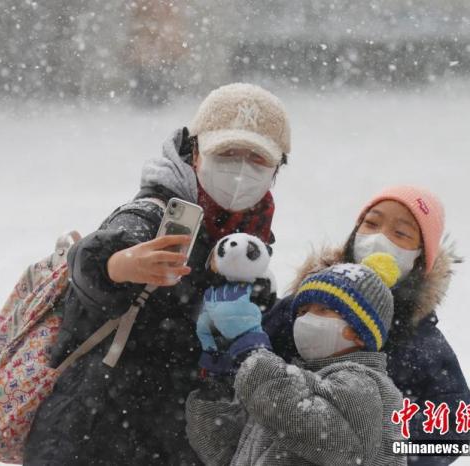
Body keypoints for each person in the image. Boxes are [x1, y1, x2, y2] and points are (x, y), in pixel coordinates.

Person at [23, 83, 291, 465]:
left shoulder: (248, 237)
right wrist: (118, 266)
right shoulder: (156, 214)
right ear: (195, 152)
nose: (240, 170)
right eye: (227, 153)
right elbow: (91, 261)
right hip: (96, 431)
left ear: (276, 168)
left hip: (175, 437)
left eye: (257, 159)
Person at [264, 185, 470, 465]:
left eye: (401, 233)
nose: (379, 238)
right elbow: (249, 369)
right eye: (371, 223)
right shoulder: (300, 305)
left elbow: (452, 431)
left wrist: (388, 449)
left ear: (421, 257)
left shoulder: (424, 346)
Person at [186, 253, 406, 465]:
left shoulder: (367, 385)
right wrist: (218, 385)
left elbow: (326, 437)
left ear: (359, 333)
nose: (306, 319)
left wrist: (251, 355)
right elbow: (227, 453)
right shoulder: (295, 383)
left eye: (323, 309)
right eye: (302, 311)